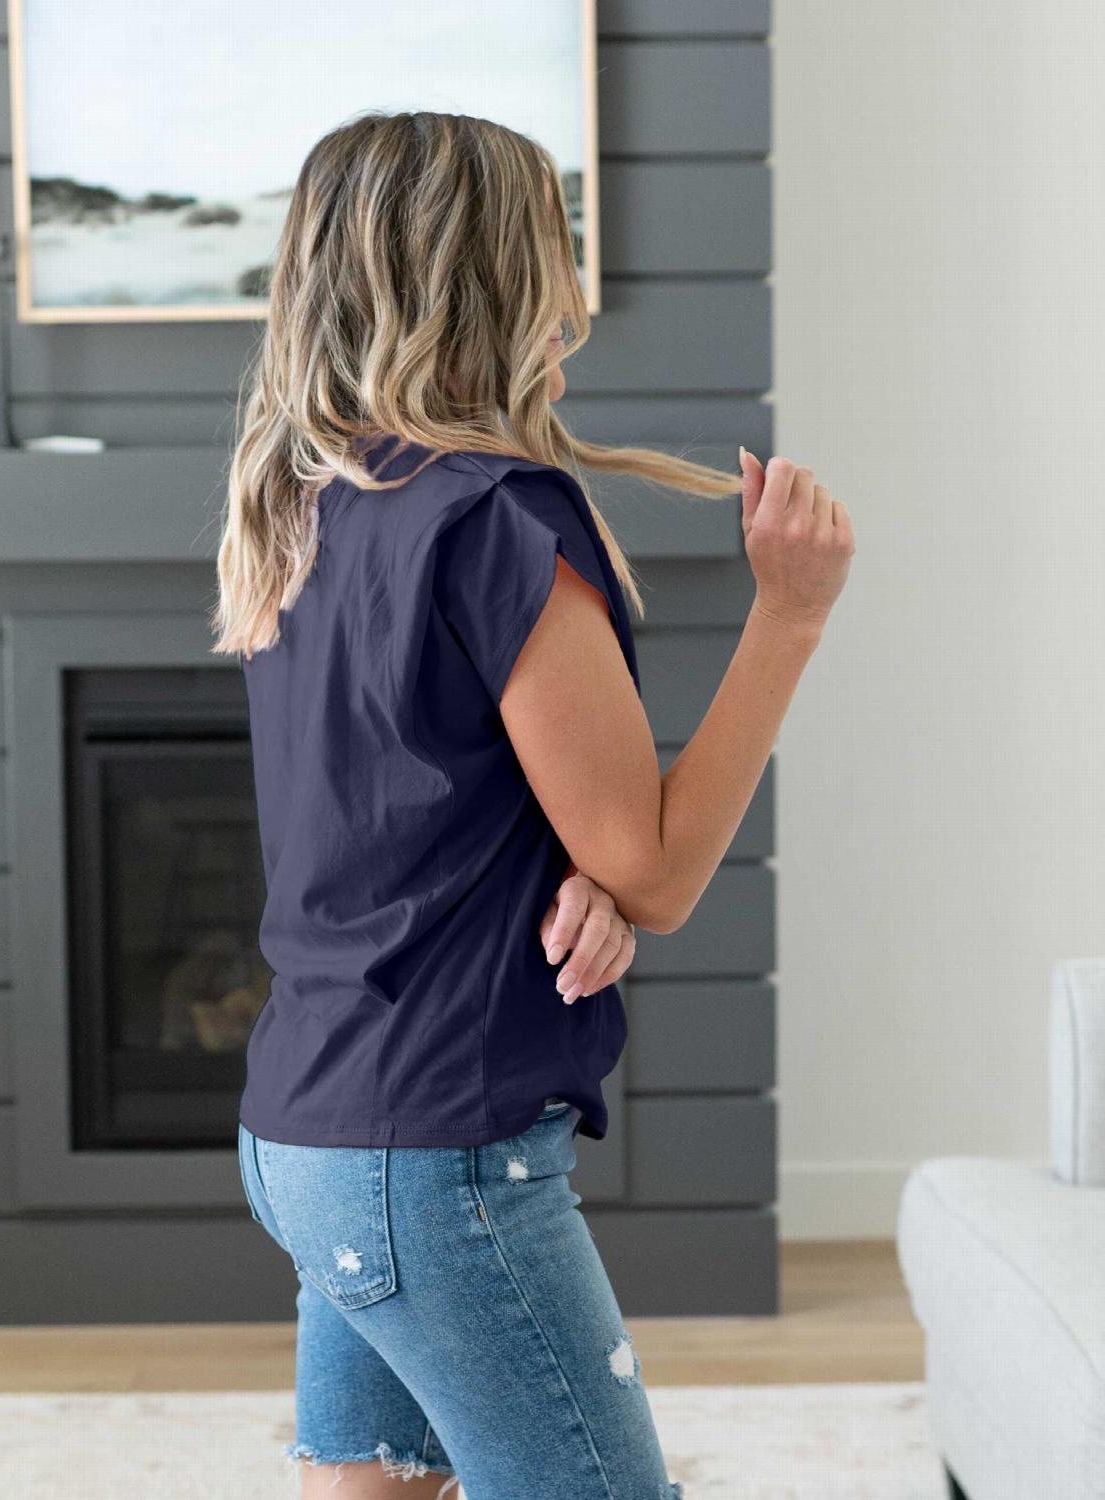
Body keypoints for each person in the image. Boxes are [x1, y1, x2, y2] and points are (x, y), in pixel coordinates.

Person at [213, 110, 853, 1500]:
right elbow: (661, 872)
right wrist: (789, 617)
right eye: (553, 242)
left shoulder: (303, 507)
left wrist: (576, 883)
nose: (574, 286)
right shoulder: (496, 517)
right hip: (436, 1158)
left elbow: (409, 817)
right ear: (499, 274)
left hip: (309, 1131)